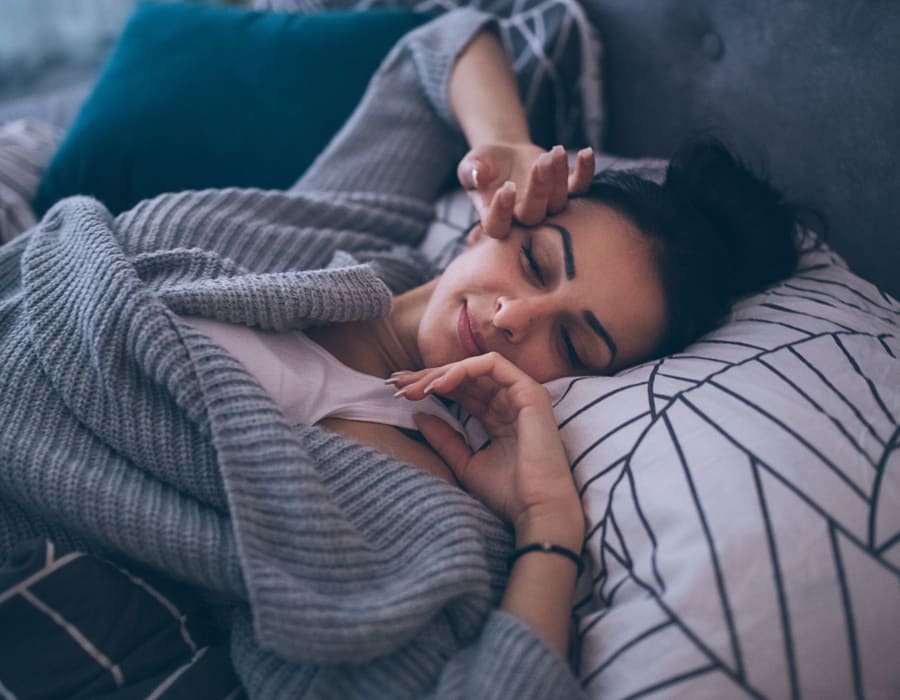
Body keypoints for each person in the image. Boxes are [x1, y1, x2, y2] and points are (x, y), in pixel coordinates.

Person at [0, 7, 797, 698]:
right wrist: (507, 147)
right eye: (536, 262)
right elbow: (443, 43)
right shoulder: (358, 227)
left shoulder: (434, 511)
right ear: (501, 219)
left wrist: (547, 527)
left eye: (573, 343)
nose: (517, 316)